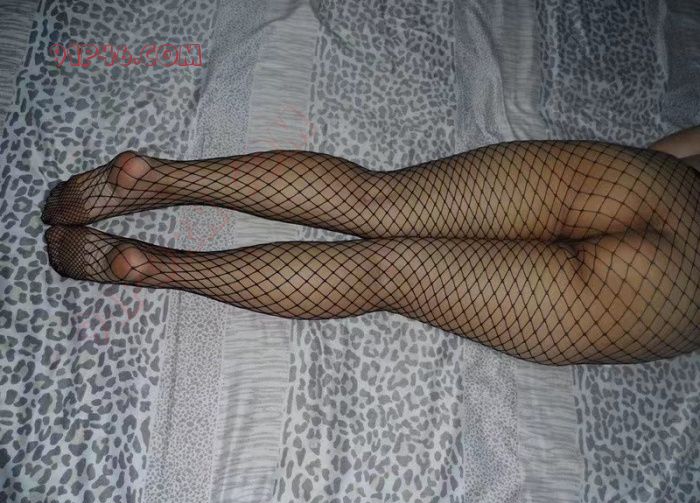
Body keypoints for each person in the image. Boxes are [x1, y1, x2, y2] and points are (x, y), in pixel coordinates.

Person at [41, 127, 700, 365]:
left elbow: (681, 149)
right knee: (382, 272)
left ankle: (159, 177)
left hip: (662, 190)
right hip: (671, 300)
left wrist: (632, 170)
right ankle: (157, 268)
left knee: (376, 199)